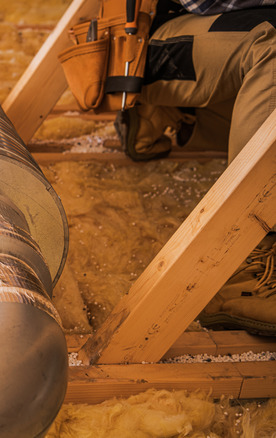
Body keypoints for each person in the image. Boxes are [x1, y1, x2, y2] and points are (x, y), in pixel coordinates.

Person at [114, 0, 276, 335]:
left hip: (232, 29)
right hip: (152, 40)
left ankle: (186, 115)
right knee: (272, 45)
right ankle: (240, 260)